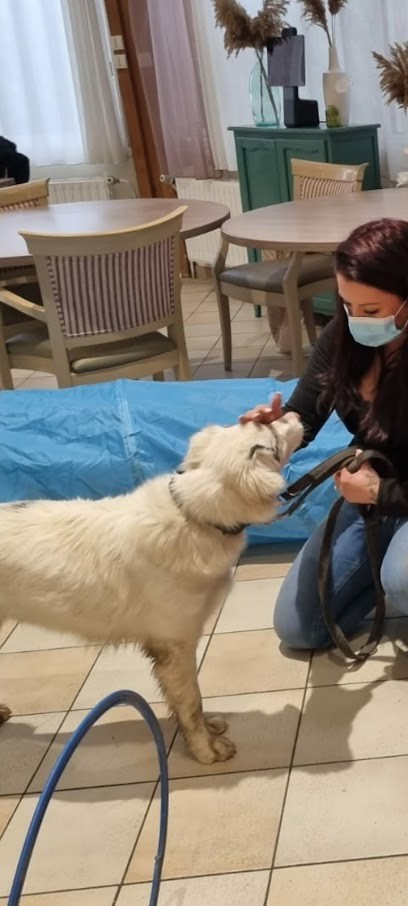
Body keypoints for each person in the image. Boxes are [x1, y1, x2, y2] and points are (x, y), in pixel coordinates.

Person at [240, 217, 408, 650]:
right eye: (347, 305)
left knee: (402, 577)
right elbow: (304, 413)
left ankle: (396, 575)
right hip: (372, 490)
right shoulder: (344, 336)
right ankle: (387, 571)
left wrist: (378, 492)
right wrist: (276, 431)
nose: (356, 320)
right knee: (299, 628)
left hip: (382, 490)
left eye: (371, 311)